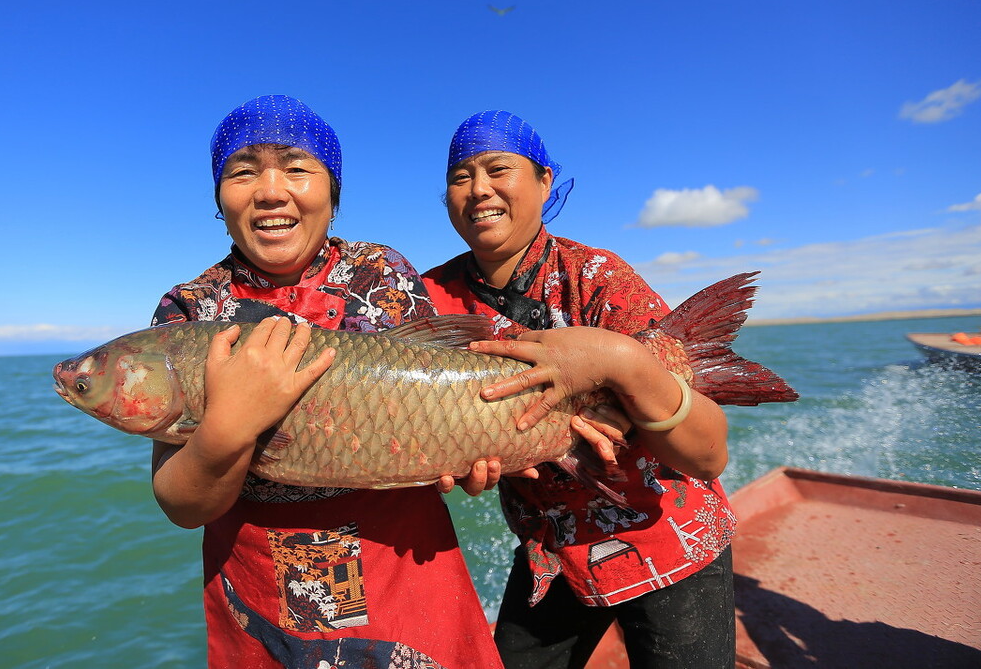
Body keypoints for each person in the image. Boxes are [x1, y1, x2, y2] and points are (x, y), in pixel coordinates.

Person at [149, 95, 502, 669]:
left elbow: (438, 376)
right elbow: (183, 505)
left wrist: (467, 446)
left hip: (402, 560)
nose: (269, 190)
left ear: (332, 194)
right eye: (242, 171)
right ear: (219, 199)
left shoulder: (382, 272)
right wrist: (230, 424)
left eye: (296, 167)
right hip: (259, 582)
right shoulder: (190, 310)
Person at [422, 111, 736, 669]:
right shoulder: (430, 299)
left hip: (670, 535)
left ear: (544, 182)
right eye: (461, 176)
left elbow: (708, 455)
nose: (479, 190)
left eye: (498, 169)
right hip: (553, 549)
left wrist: (623, 363)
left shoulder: (597, 277)